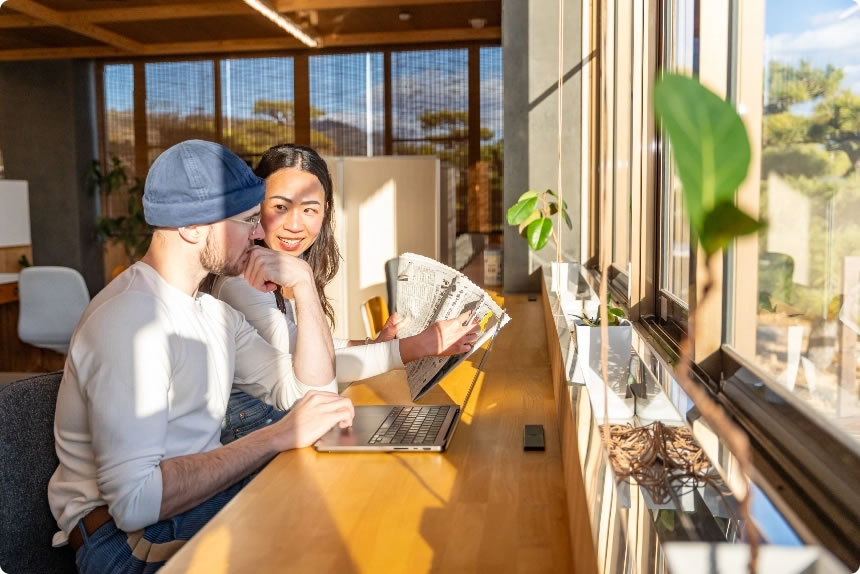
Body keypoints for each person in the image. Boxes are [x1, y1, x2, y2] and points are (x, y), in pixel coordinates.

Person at [47, 140, 354, 573]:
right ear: (192, 225)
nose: (261, 233)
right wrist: (274, 437)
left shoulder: (211, 313)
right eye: (248, 220)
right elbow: (135, 503)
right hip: (124, 543)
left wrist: (303, 288)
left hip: (183, 510)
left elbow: (312, 394)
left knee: (335, 507)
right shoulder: (132, 321)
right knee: (319, 541)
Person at [209, 144, 479, 443]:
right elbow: (310, 369)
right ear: (257, 207)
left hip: (285, 431)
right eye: (280, 207)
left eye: (309, 209)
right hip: (255, 445)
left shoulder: (285, 266)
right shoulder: (240, 283)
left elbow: (310, 346)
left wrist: (369, 343)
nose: (295, 225)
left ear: (325, 212)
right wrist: (419, 345)